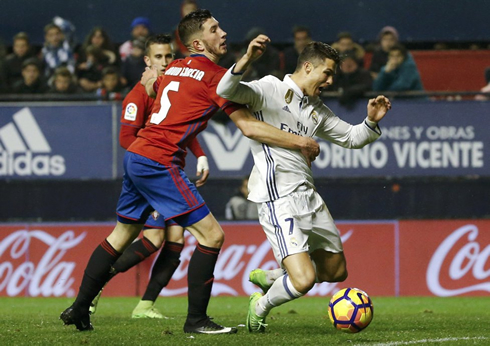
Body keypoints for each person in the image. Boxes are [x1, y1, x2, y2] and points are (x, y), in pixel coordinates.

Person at [59, 9, 319, 335]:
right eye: (214, 29)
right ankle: (196, 321)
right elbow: (250, 127)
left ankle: (79, 307)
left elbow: (165, 105)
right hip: (159, 161)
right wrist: (301, 142)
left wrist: (155, 91)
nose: (222, 32)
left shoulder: (176, 67)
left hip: (138, 156)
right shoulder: (214, 77)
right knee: (212, 236)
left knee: (122, 235)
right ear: (198, 42)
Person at [216, 36, 391, 332]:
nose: (331, 80)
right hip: (278, 195)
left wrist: (371, 121)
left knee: (336, 272)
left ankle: (273, 278)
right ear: (308, 67)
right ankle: (259, 306)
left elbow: (351, 137)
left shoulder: (315, 108)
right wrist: (246, 59)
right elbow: (225, 90)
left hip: (308, 195)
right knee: (304, 280)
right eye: (328, 73)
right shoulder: (270, 88)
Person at [88, 34, 209, 319]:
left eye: (169, 56)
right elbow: (125, 137)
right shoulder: (138, 95)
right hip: (152, 172)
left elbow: (178, 128)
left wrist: (200, 154)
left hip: (168, 170)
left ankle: (145, 305)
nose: (165, 62)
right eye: (158, 57)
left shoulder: (172, 88)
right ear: (147, 60)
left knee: (176, 238)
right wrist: (151, 171)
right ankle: (98, 284)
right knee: (155, 238)